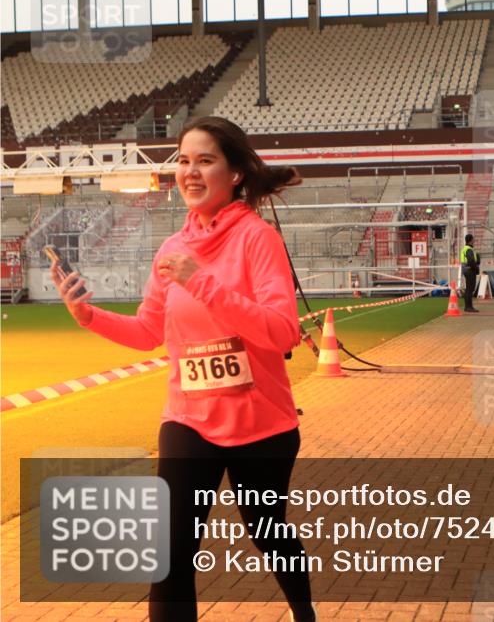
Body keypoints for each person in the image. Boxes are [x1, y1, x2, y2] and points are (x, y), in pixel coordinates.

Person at [50, 116, 316, 622]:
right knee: (170, 551)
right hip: (188, 420)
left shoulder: (257, 239)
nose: (190, 172)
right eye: (184, 161)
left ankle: (305, 613)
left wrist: (202, 283)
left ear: (235, 173)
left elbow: (283, 332)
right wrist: (88, 316)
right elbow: (148, 331)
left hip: (261, 423)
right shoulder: (172, 249)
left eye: (205, 160)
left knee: (267, 532)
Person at [461, 233, 480, 313]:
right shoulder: (469, 249)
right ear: (471, 240)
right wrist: (476, 269)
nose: (474, 241)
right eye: (473, 239)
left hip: (466, 269)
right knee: (470, 289)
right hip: (469, 270)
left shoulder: (465, 248)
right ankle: (469, 307)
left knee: (468, 289)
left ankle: (467, 307)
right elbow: (471, 261)